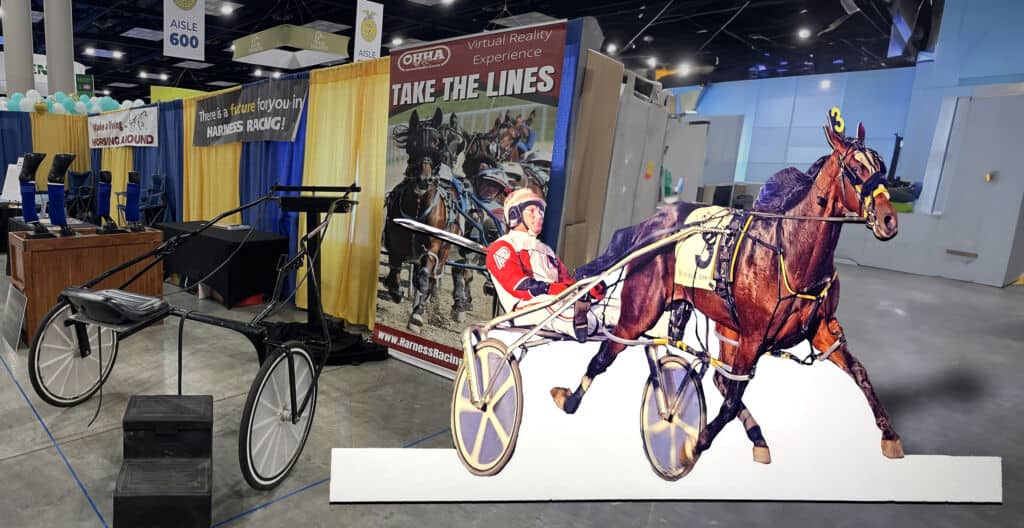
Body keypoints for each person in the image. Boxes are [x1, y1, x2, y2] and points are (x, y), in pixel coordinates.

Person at [485, 188, 611, 341]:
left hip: (556, 302)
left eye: (541, 211)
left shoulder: (547, 250)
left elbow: (567, 282)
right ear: (514, 215)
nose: (539, 216)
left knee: (606, 304)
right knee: (552, 306)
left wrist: (586, 290)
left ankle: (616, 322)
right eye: (532, 210)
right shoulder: (502, 246)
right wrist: (554, 290)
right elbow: (518, 285)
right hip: (524, 308)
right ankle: (588, 325)